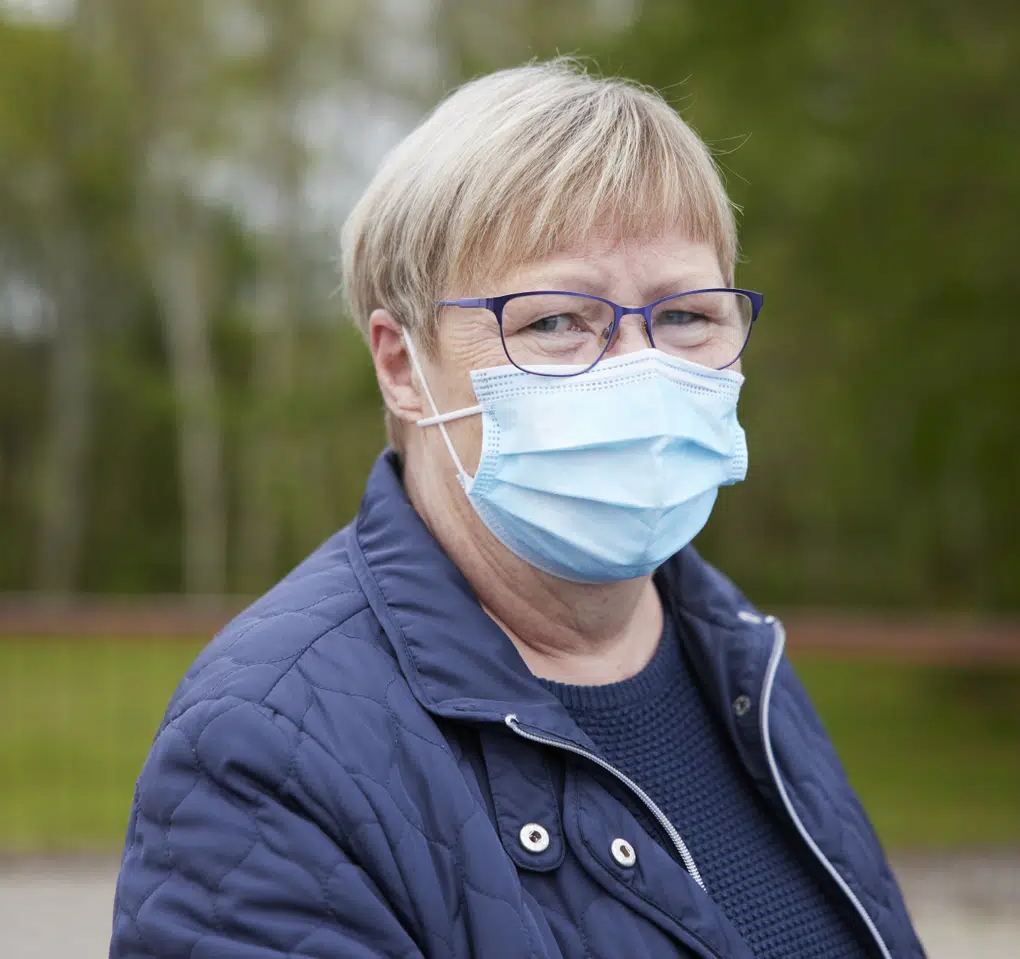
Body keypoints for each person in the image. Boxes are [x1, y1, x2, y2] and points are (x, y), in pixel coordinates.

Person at [111, 59, 925, 959]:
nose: (637, 366)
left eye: (687, 314)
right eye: (554, 322)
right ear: (399, 363)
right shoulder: (266, 753)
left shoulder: (740, 654)